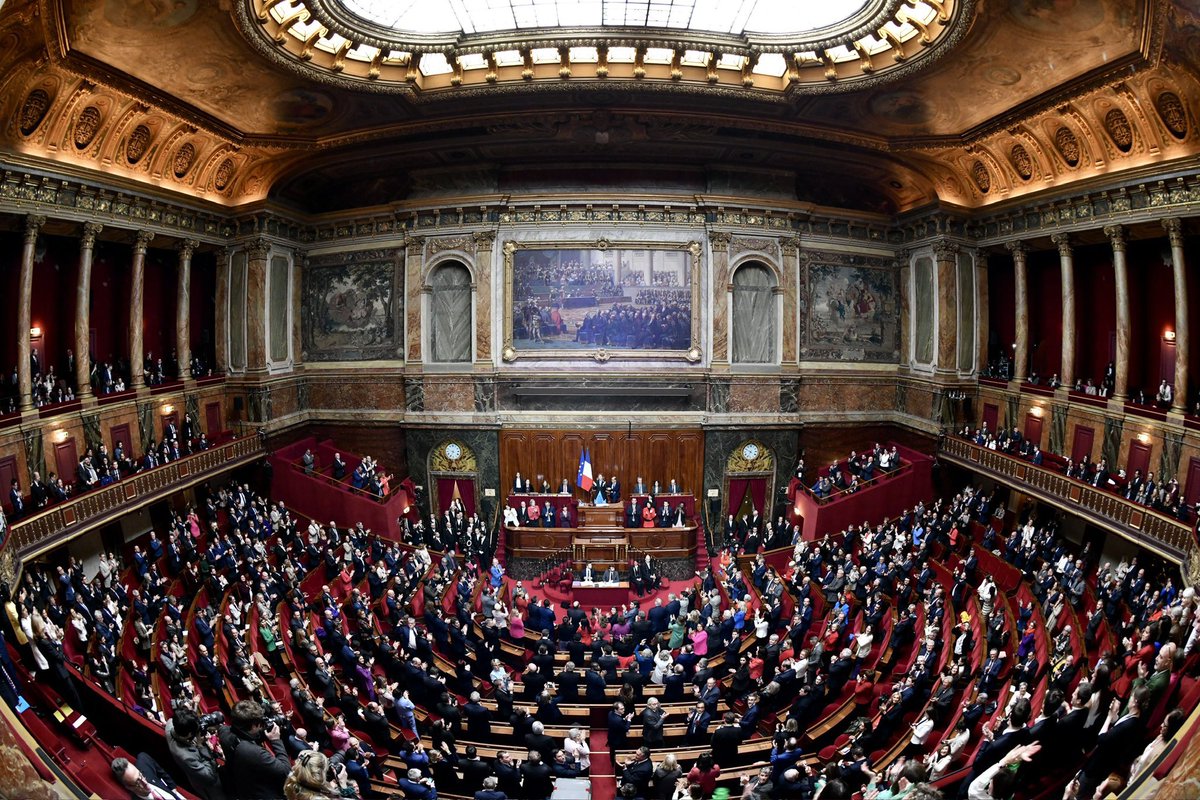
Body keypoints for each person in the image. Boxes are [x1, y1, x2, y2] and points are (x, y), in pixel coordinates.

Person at [218, 700, 291, 800]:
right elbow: (286, 771)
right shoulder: (255, 752)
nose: (261, 725)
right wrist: (276, 740)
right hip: (258, 791)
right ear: (252, 725)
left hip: (240, 777)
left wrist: (263, 734)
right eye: (260, 723)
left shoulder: (224, 731)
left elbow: (242, 736)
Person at [166, 709, 227, 800]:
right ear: (190, 734)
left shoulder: (171, 724)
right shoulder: (186, 756)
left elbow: (173, 720)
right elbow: (210, 777)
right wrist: (201, 745)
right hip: (210, 786)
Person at [111, 753, 185, 800]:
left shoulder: (144, 763)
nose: (145, 783)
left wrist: (171, 786)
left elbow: (143, 756)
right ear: (129, 787)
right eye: (137, 782)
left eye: (140, 775)